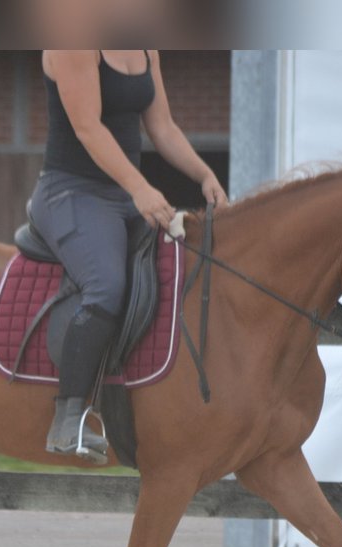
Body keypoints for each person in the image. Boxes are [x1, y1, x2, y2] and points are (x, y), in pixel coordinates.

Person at [29, 49, 229, 463]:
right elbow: (87, 128)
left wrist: (204, 174)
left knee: (180, 267)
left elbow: (164, 128)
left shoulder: (144, 47)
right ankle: (67, 420)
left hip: (122, 195)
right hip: (71, 192)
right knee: (107, 285)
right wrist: (140, 188)